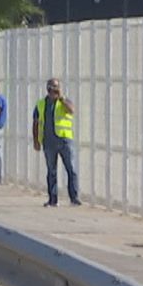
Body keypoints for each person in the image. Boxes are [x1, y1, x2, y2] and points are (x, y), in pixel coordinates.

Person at [33, 78, 80, 207]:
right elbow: (36, 122)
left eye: (55, 88)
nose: (52, 91)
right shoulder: (41, 104)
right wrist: (36, 140)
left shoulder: (64, 101)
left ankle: (74, 198)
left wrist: (62, 98)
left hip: (64, 140)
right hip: (49, 142)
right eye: (50, 88)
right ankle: (52, 199)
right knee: (51, 171)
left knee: (71, 169)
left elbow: (71, 110)